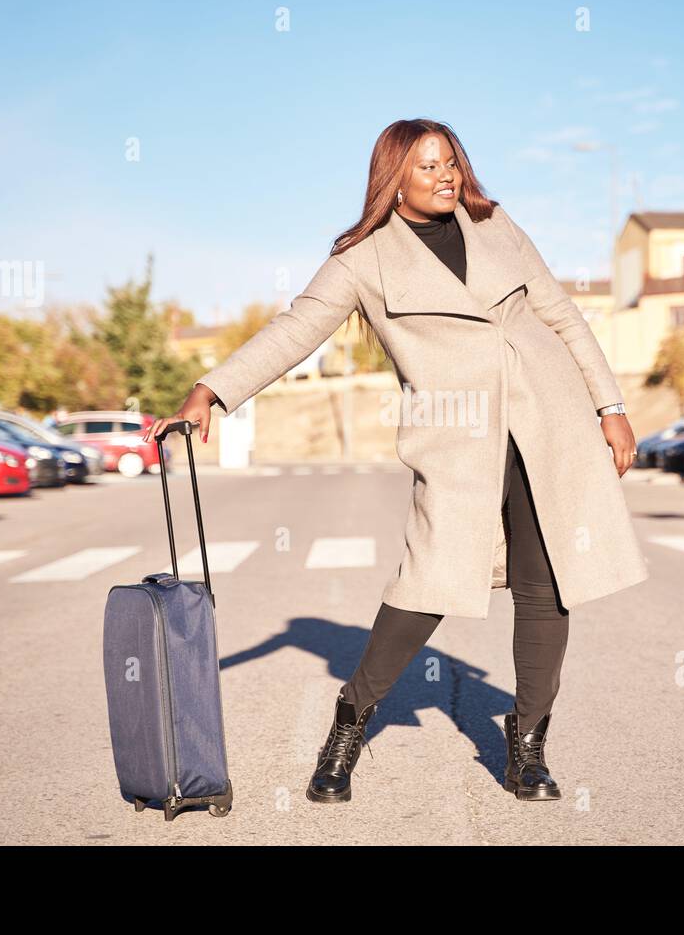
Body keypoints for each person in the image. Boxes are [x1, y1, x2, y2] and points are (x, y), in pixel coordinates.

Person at [143, 119, 647, 805]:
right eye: (428, 167)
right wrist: (211, 391)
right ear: (394, 179)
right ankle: (349, 723)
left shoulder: (496, 223)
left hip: (547, 419)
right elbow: (294, 331)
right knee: (427, 585)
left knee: (546, 586)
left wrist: (608, 407)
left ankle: (527, 747)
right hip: (456, 437)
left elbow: (562, 315)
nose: (446, 176)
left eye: (452, 163)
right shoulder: (363, 259)